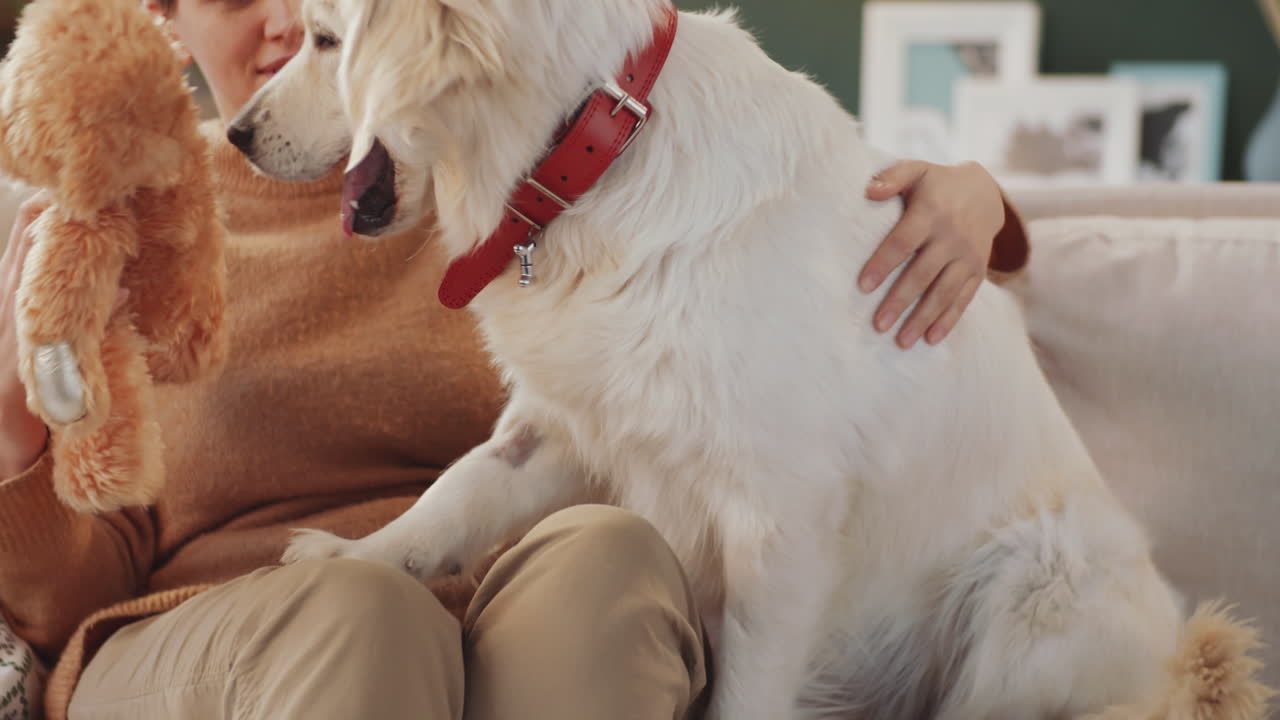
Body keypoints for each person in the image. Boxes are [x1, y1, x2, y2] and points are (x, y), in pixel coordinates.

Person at [0, 1, 1030, 718]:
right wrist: (13, 435)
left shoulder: (513, 183)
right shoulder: (119, 231)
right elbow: (63, 600)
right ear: (163, 18)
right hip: (211, 635)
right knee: (363, 610)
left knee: (609, 558)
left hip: (487, 628)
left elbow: (767, 259)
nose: (287, 20)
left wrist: (979, 204)